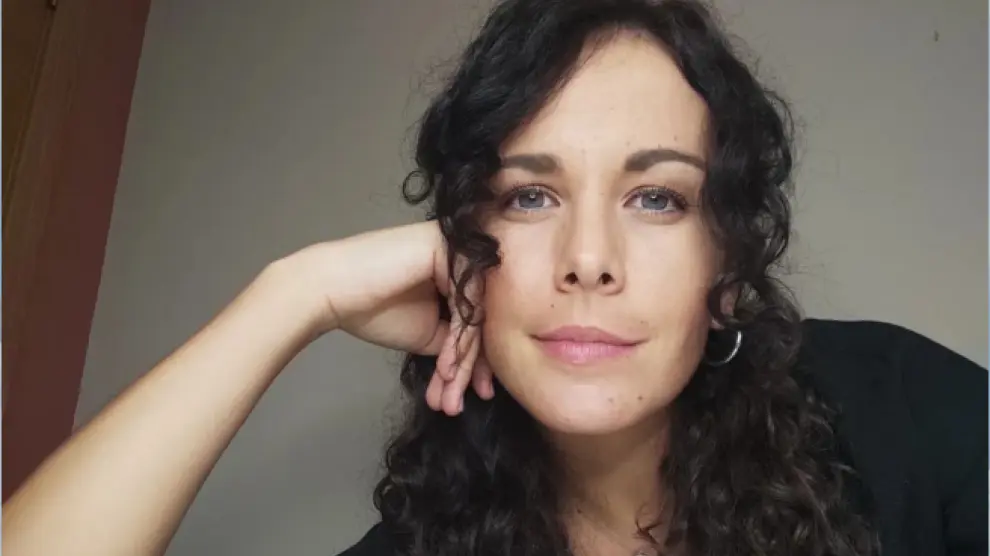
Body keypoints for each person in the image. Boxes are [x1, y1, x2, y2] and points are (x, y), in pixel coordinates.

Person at [3, 0, 986, 555]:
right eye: (529, 196)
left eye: (657, 198)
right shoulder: (432, 540)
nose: (588, 258)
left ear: (725, 264)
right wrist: (294, 293)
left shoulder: (900, 413)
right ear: (466, 255)